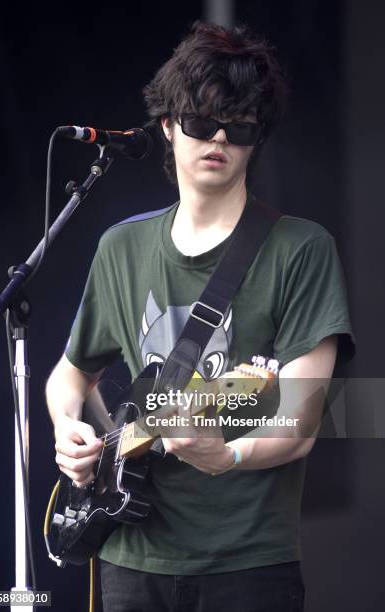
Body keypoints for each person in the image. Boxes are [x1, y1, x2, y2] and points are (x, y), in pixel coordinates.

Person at [46, 21, 355, 612]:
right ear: (167, 126)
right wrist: (70, 429)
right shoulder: (122, 247)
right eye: (200, 121)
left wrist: (230, 454)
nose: (218, 137)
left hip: (246, 561)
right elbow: (69, 373)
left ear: (255, 139)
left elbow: (300, 415)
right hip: (129, 552)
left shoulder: (300, 248)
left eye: (238, 127)